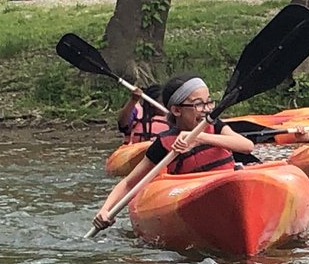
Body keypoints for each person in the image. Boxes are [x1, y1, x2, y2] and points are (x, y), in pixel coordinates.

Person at [92, 75, 254, 230]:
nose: (206, 110)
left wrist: (200, 137)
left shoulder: (214, 125)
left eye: (208, 103)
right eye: (198, 104)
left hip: (226, 183)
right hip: (193, 195)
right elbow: (129, 183)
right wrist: (105, 210)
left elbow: (246, 146)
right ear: (177, 110)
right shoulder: (164, 143)